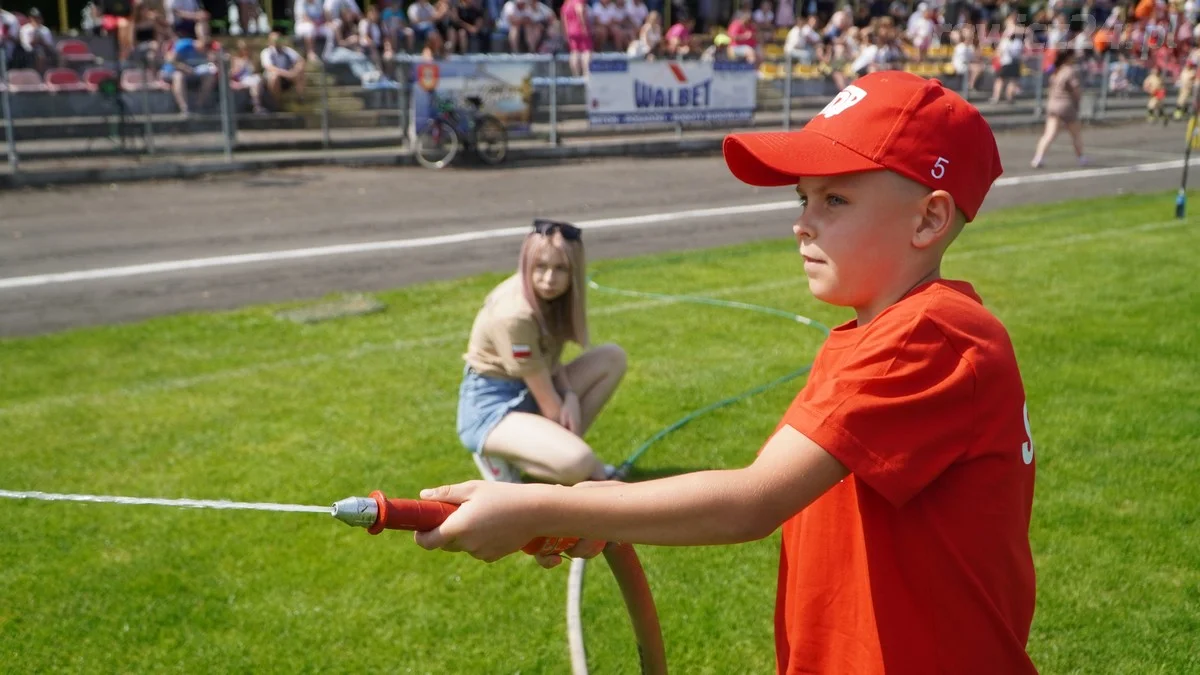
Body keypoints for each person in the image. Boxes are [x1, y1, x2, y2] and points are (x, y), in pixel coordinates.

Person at [416, 72, 1039, 674]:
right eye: (804, 197)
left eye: (836, 198)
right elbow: (761, 485)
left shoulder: (930, 333)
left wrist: (542, 505)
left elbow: (752, 502)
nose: (801, 221)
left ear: (929, 219)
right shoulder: (869, 336)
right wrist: (587, 502)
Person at [456, 220, 628, 486]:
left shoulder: (552, 298)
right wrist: (595, 469)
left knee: (612, 357)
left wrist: (569, 394)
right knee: (579, 463)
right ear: (527, 263)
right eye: (541, 267)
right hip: (493, 408)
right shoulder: (514, 314)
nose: (549, 279)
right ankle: (501, 454)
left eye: (560, 268)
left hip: (533, 385)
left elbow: (551, 361)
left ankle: (547, 455)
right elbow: (550, 405)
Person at [1032, 49, 1086, 169]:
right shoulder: (1070, 71)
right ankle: (1081, 157)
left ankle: (1038, 158)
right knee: (1075, 134)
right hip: (1066, 105)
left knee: (1049, 134)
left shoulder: (1056, 71)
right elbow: (1075, 88)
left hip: (1053, 104)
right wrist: (1078, 99)